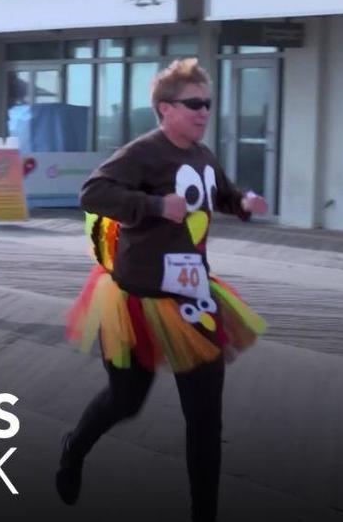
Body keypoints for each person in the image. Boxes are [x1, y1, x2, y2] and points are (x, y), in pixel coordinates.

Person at [58, 58, 269, 522]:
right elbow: (92, 193)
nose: (203, 112)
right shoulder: (143, 152)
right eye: (194, 104)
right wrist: (152, 205)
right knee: (126, 400)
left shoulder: (202, 154)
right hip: (137, 301)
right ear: (165, 108)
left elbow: (223, 193)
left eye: (208, 104)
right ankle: (74, 447)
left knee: (205, 420)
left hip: (194, 297)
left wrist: (244, 202)